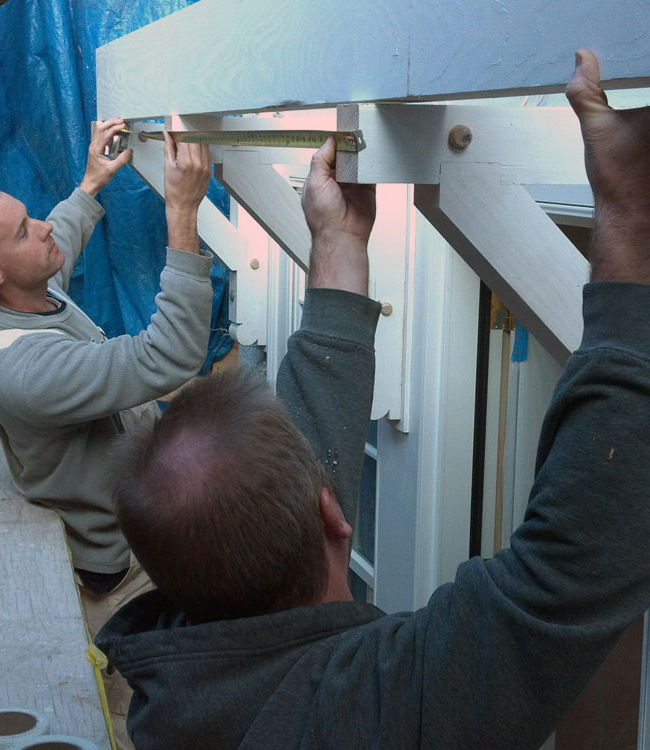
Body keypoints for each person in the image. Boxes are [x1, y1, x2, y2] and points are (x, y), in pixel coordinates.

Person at [96, 49, 650, 750]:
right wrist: (630, 217)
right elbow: (568, 567)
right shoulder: (357, 713)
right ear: (331, 511)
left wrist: (340, 240)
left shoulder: (184, 681)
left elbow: (312, 440)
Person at [0, 118, 215, 744]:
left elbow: (66, 232)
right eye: (25, 231)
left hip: (146, 528)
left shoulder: (26, 288)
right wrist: (183, 218)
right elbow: (167, 358)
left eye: (31, 215)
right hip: (122, 573)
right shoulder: (23, 368)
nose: (45, 227)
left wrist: (90, 183)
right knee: (143, 719)